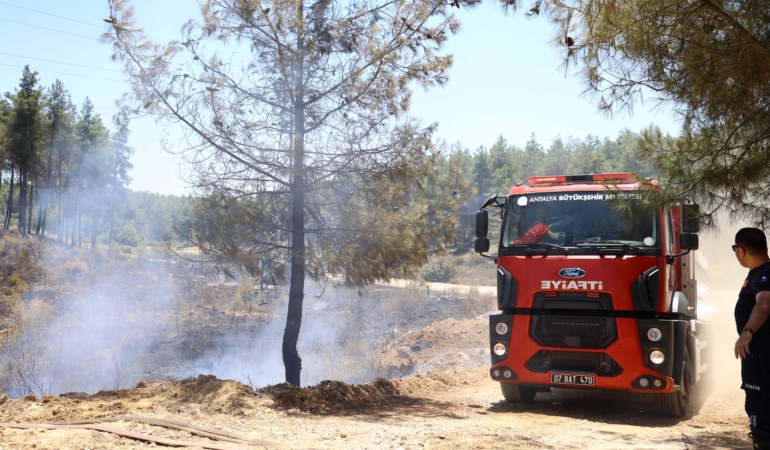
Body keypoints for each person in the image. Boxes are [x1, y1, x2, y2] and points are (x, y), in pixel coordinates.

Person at [733, 228, 770, 449]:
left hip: (762, 356)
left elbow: (765, 303)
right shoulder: (757, 273)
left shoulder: (765, 274)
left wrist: (747, 333)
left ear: (741, 250)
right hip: (759, 356)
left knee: (761, 410)